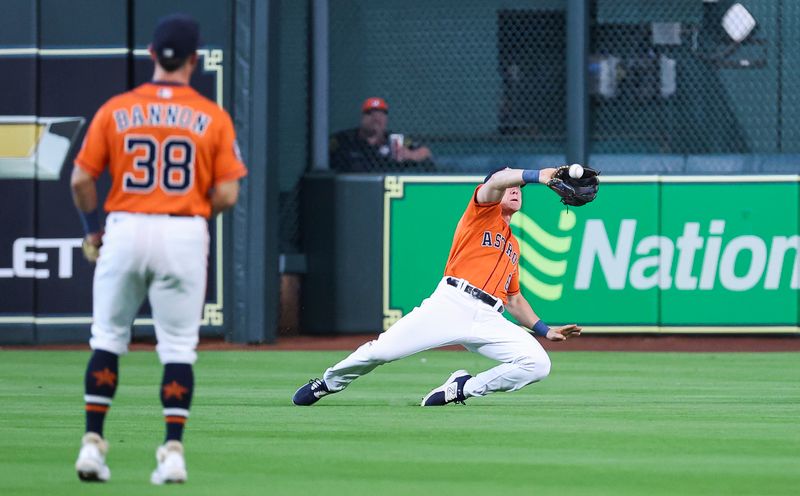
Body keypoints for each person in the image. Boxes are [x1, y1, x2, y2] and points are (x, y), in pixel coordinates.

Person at [71, 13, 247, 484]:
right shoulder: (211, 115)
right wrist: (189, 210)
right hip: (183, 229)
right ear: (194, 60)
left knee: (108, 339)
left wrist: (93, 232)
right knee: (177, 349)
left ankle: (92, 445)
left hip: (125, 226)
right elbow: (229, 194)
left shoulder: (116, 108)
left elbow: (82, 178)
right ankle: (172, 453)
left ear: (152, 55)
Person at [293, 166, 581, 407]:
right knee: (381, 352)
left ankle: (461, 388)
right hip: (452, 303)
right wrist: (538, 175)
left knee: (537, 364)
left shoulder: (513, 246)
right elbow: (497, 180)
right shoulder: (481, 213)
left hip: (490, 317)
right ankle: (328, 382)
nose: (517, 190)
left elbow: (515, 299)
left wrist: (545, 330)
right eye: (512, 186)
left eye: (520, 189)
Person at [329, 96, 434, 172]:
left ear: (386, 119)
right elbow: (322, 149)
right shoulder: (346, 138)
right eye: (370, 114)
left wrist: (410, 155)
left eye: (381, 114)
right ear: (362, 118)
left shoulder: (395, 140)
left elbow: (425, 151)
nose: (376, 118)